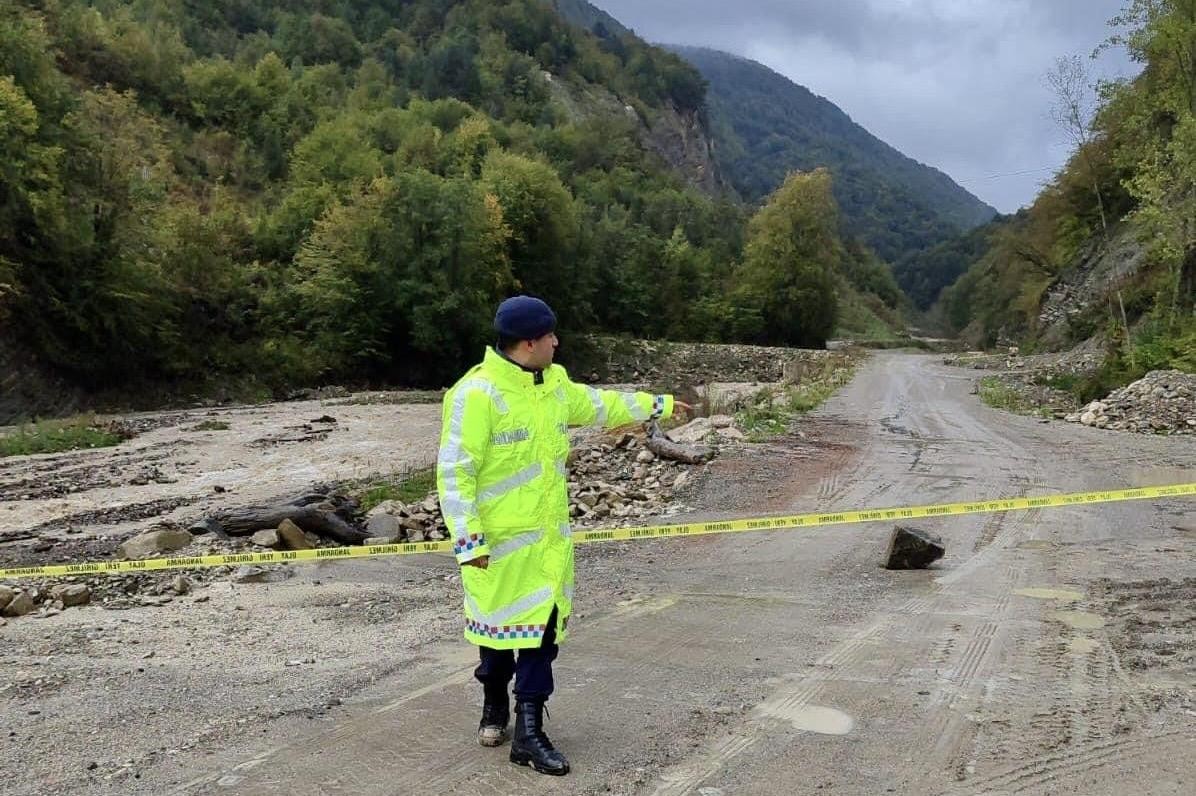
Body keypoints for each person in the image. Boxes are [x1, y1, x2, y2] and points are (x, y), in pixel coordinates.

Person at [436, 295, 689, 776]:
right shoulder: (475, 394)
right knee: (496, 638)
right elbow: (454, 473)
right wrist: (469, 541)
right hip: (498, 548)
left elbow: (602, 404)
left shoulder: (554, 385)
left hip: (548, 546)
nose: (557, 341)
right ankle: (494, 703)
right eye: (550, 335)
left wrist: (660, 404)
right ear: (529, 342)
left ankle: (529, 731)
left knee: (541, 637)